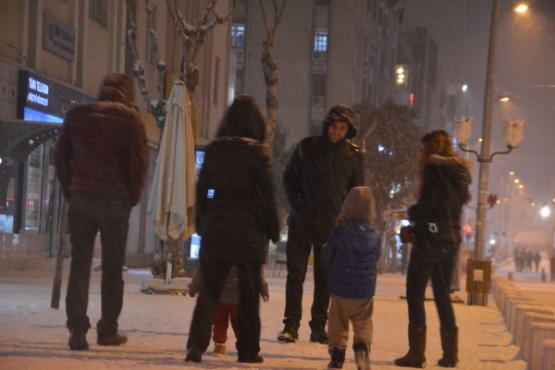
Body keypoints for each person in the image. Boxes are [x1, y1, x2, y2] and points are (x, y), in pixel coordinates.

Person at [55, 73, 148, 350]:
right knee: (111, 269)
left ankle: (77, 331)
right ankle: (108, 330)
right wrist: (130, 196)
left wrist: (70, 188)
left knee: (80, 266)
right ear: (127, 93)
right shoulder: (131, 121)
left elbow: (60, 156)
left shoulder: (77, 115)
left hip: (82, 199)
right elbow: (138, 164)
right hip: (115, 203)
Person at [185, 95, 280, 364]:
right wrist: (273, 230)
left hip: (217, 230)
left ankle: (195, 346)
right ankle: (248, 350)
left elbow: (202, 191)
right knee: (249, 298)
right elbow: (267, 198)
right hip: (248, 234)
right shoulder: (258, 155)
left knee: (210, 294)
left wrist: (203, 223)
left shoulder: (216, 150)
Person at [278, 105, 364, 344]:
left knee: (324, 277)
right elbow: (289, 178)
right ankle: (291, 325)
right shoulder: (308, 147)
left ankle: (318, 326)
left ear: (348, 130)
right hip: (302, 220)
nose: (336, 132)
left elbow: (357, 190)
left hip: (331, 224)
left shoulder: (353, 155)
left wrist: (346, 216)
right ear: (326, 125)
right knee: (295, 274)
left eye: (341, 128)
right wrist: (297, 202)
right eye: (333, 127)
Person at [395, 130, 471, 368]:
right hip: (451, 237)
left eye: (423, 147)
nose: (421, 153)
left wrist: (412, 215)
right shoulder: (460, 172)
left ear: (430, 147)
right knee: (441, 295)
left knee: (415, 292)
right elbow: (452, 206)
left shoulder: (433, 168)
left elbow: (429, 206)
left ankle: (416, 355)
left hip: (430, 237)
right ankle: (450, 355)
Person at [321, 186, 381, 370]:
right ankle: (362, 350)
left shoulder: (340, 232)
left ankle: (337, 356)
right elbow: (376, 257)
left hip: (340, 289)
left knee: (337, 324)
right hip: (364, 291)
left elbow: (326, 259)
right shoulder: (374, 235)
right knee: (363, 323)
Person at [187, 265, 270, 356]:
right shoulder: (245, 254)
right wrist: (264, 289)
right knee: (240, 324)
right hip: (239, 298)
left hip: (219, 296)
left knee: (220, 323)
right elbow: (256, 274)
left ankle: (220, 346)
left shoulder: (217, 253)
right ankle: (245, 345)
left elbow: (202, 272)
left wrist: (193, 289)